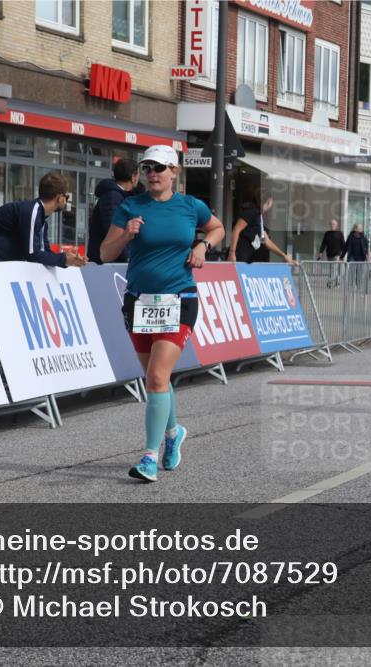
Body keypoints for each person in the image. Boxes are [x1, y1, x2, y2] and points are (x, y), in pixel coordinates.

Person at [100, 145, 225, 483]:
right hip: (139, 301)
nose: (152, 173)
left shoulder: (190, 206)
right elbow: (105, 252)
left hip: (179, 299)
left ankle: (149, 457)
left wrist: (202, 246)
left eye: (159, 167)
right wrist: (127, 234)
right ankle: (173, 433)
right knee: (157, 379)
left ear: (174, 172)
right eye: (146, 168)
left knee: (156, 377)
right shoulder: (130, 207)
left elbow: (218, 228)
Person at [0, 171, 87, 267]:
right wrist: (64, 258)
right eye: (66, 196)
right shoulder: (31, 212)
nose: (66, 201)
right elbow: (32, 255)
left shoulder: (40, 217)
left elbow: (45, 254)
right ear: (60, 197)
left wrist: (66, 257)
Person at [87, 158, 141, 264]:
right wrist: (127, 258)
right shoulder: (112, 197)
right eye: (138, 174)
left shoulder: (123, 196)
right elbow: (112, 232)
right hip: (107, 264)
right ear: (133, 177)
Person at [227, 190, 295, 264]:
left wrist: (283, 255)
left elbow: (267, 241)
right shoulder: (252, 212)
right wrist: (232, 253)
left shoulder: (259, 216)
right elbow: (236, 229)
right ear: (269, 201)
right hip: (238, 255)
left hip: (247, 256)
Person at [318, 219, 346, 287]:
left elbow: (343, 244)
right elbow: (323, 244)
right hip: (329, 254)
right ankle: (338, 281)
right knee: (332, 269)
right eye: (331, 224)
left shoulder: (340, 233)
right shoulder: (327, 233)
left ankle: (330, 282)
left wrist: (342, 255)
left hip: (337, 254)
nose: (332, 225)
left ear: (336, 225)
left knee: (333, 268)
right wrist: (321, 252)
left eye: (334, 224)